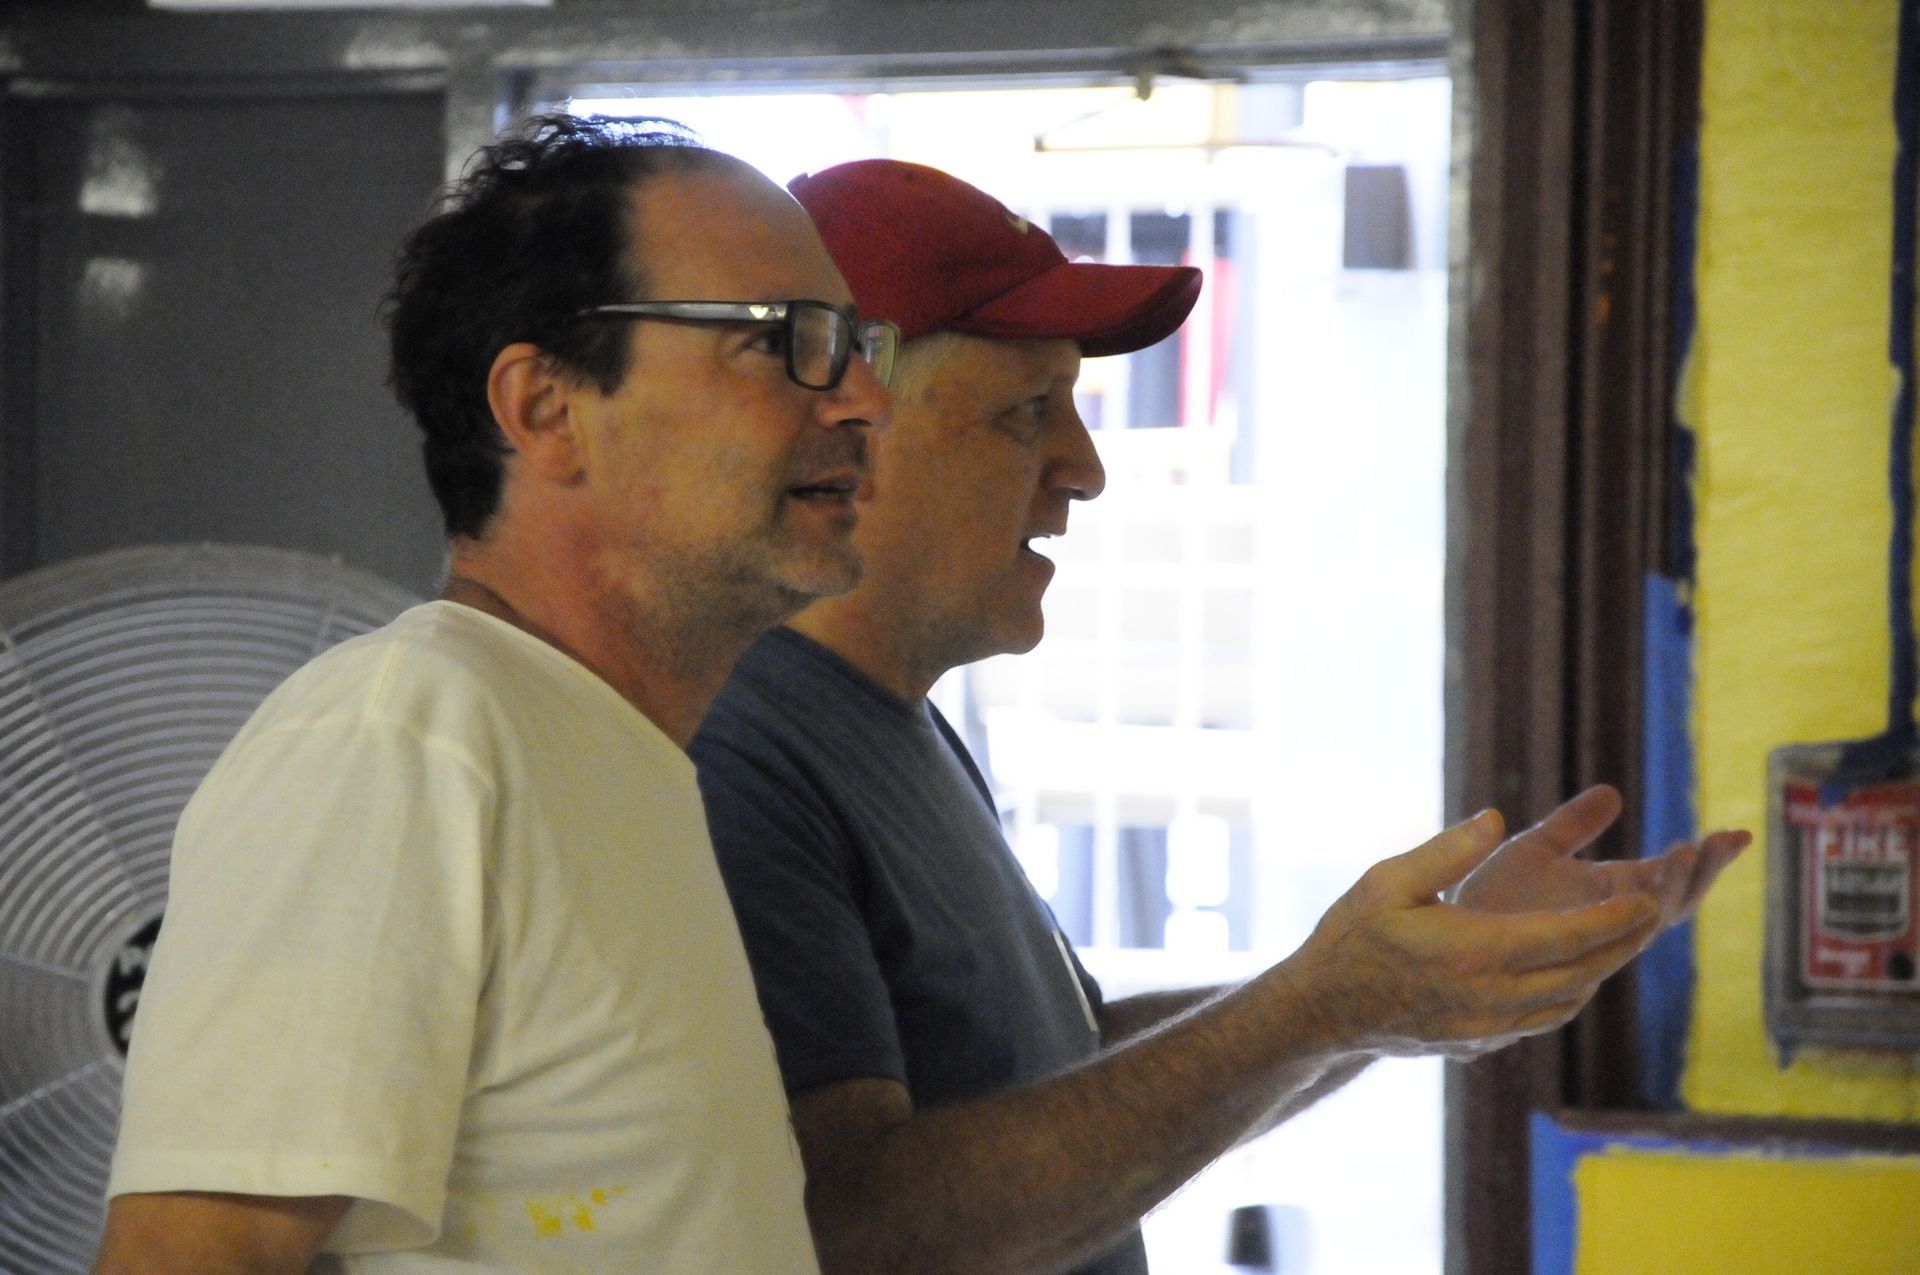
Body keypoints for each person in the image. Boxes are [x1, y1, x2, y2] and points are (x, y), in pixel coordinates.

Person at [690, 158, 1749, 1275]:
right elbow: (855, 1229)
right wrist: (1318, 1006)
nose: (1085, 468)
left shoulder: (894, 726)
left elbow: (1069, 1072)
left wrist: (1400, 984)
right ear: (851, 426)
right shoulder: (737, 752)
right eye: (1024, 413)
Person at [90, 115, 892, 1275]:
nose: (864, 397)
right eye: (785, 341)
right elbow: (193, 1255)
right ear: (545, 409)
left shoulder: (614, 757)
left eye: (859, 341)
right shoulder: (404, 736)